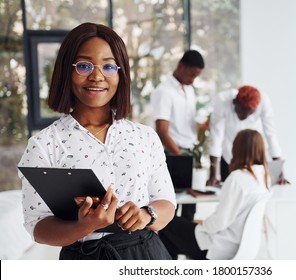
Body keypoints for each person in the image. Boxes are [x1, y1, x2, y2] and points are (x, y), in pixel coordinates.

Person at [17, 22, 176, 260]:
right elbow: (37, 226)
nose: (97, 76)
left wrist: (146, 215)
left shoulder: (144, 136)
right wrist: (84, 226)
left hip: (146, 254)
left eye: (109, 66)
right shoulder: (44, 144)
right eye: (83, 65)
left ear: (121, 74)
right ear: (66, 71)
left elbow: (167, 203)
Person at [158, 129, 271, 260]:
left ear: (237, 149)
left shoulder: (237, 178)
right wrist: (204, 224)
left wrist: (202, 224)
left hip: (217, 248)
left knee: (166, 224)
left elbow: (220, 222)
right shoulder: (264, 177)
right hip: (240, 247)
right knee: (175, 236)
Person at [150, 50, 205, 220]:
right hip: (174, 155)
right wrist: (180, 156)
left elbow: (187, 124)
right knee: (171, 207)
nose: (193, 79)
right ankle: (169, 247)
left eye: (197, 76)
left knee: (190, 208)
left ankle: (185, 247)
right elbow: (162, 130)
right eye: (192, 74)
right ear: (181, 66)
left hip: (190, 153)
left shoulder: (189, 90)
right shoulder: (164, 91)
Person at [207, 85, 289, 185]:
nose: (245, 116)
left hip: (254, 157)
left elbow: (270, 134)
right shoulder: (222, 100)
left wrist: (280, 172)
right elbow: (216, 136)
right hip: (230, 157)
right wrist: (213, 176)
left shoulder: (263, 101)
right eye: (241, 111)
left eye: (249, 113)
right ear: (234, 102)